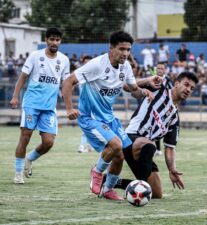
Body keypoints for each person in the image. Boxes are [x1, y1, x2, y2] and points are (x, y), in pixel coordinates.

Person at [62, 31, 160, 201]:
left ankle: (107, 189)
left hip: (108, 117)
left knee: (120, 154)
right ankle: (97, 171)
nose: (125, 53)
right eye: (122, 49)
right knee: (115, 145)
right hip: (90, 117)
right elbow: (68, 81)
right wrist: (69, 109)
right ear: (111, 48)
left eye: (128, 49)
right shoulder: (97, 65)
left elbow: (131, 88)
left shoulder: (126, 67)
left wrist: (144, 89)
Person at [103, 71, 198, 198]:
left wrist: (172, 169)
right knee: (150, 145)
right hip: (130, 139)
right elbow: (127, 86)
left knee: (156, 193)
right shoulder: (160, 88)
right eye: (186, 84)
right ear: (176, 83)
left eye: (191, 88)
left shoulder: (174, 118)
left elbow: (170, 147)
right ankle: (139, 191)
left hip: (145, 151)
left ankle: (109, 181)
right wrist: (147, 80)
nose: (188, 89)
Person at [10, 27, 70, 184]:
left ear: (60, 41)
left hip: (49, 107)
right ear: (46, 40)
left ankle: (29, 159)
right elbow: (23, 77)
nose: (54, 42)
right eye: (52, 39)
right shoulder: (35, 56)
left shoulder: (64, 60)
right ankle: (18, 173)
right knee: (25, 136)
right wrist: (15, 97)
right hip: (31, 104)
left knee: (48, 142)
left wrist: (67, 97)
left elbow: (66, 82)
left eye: (57, 40)